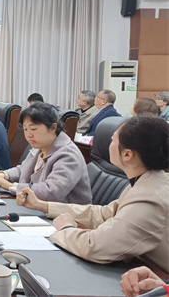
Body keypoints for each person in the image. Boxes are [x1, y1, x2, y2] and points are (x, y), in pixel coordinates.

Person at [17, 115, 169, 272]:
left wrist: (66, 229)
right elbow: (103, 214)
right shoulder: (148, 182)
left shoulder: (150, 199)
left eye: (112, 140)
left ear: (127, 154)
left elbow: (94, 246)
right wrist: (42, 206)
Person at [0, 102, 92, 204]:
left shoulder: (68, 154)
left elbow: (52, 192)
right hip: (39, 207)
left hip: (67, 216)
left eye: (33, 129)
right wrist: (3, 175)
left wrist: (9, 186)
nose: (28, 135)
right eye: (25, 129)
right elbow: (22, 169)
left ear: (53, 128)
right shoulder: (40, 146)